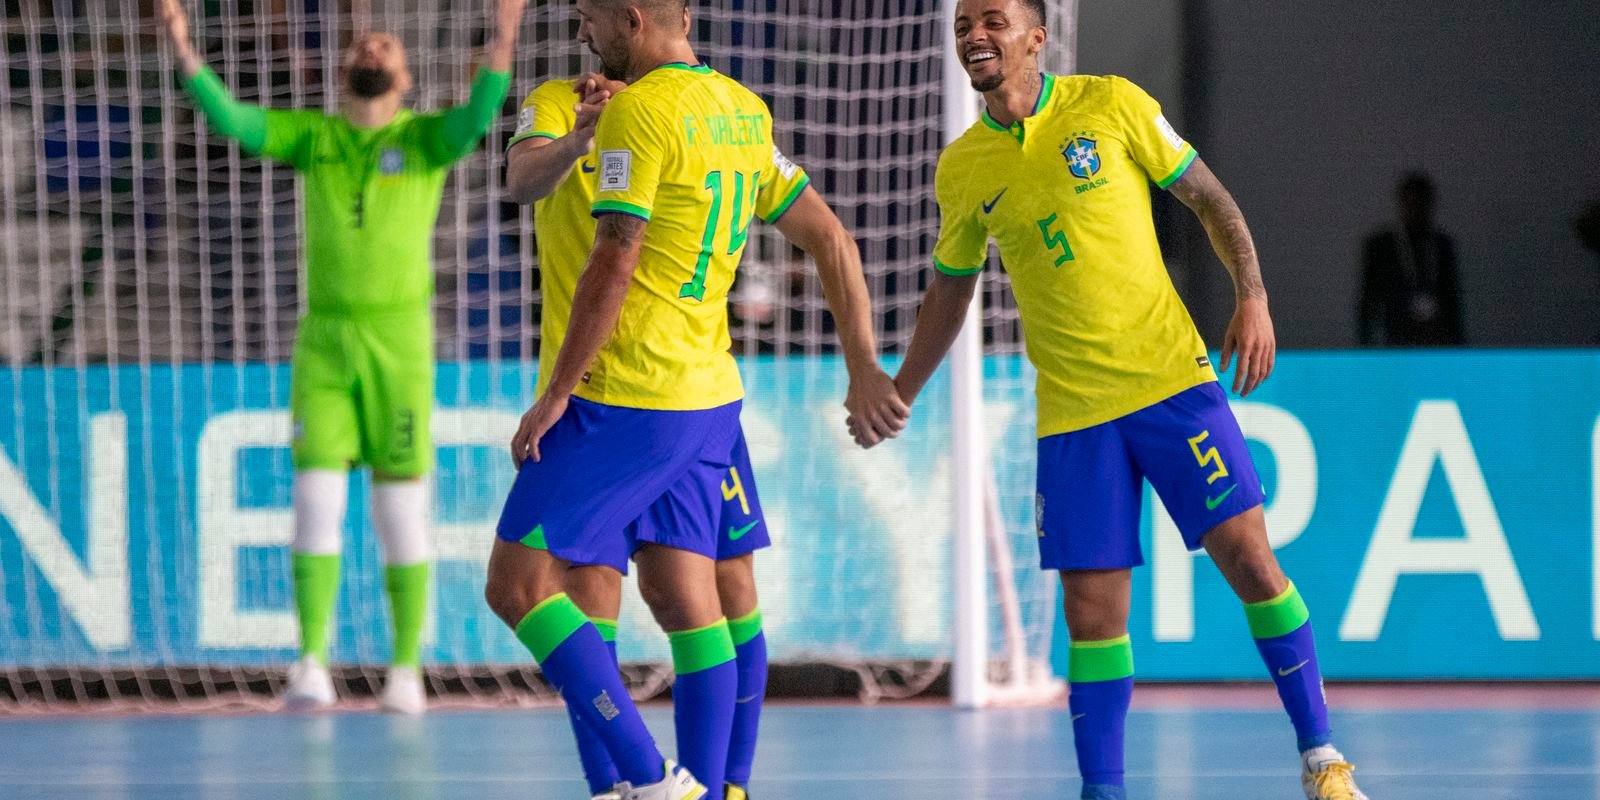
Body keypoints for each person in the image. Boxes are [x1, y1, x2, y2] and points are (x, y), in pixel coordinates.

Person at [870, 0, 1370, 797]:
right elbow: (951, 292)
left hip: (1172, 386)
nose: (974, 35)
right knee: (1091, 619)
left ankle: (1322, 758)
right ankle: (1103, 792)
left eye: (993, 20)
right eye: (965, 24)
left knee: (1251, 564)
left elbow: (1209, 198)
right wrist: (901, 388)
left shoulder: (1112, 103)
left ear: (1037, 37)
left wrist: (1253, 295)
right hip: (1073, 419)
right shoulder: (962, 167)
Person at [481, 0, 907, 797]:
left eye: (590, 17)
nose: (582, 32)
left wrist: (554, 396)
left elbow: (616, 255)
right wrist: (581, 136)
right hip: (702, 397)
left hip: (620, 391)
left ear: (633, 20)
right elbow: (522, 178)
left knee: (532, 586)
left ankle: (663, 783)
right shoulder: (728, 109)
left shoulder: (645, 115)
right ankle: (668, 788)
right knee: (662, 594)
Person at [157, 0, 525, 714]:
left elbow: (481, 113)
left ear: (407, 76)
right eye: (365, 44)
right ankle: (310, 662)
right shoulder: (315, 138)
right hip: (323, 342)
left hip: (400, 344)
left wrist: (506, 31)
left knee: (399, 512)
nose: (374, 51)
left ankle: (406, 670)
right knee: (314, 501)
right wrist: (181, 46)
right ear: (342, 70)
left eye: (387, 45)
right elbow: (233, 120)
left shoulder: (424, 141)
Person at [1357, 172, 1464, 346]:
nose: (1416, 211)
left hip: (1437, 338)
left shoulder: (1441, 245)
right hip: (1398, 336)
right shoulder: (1382, 246)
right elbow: (1368, 297)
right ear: (1401, 204)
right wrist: (1365, 343)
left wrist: (1458, 345)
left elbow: (1452, 298)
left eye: (1421, 205)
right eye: (1411, 204)